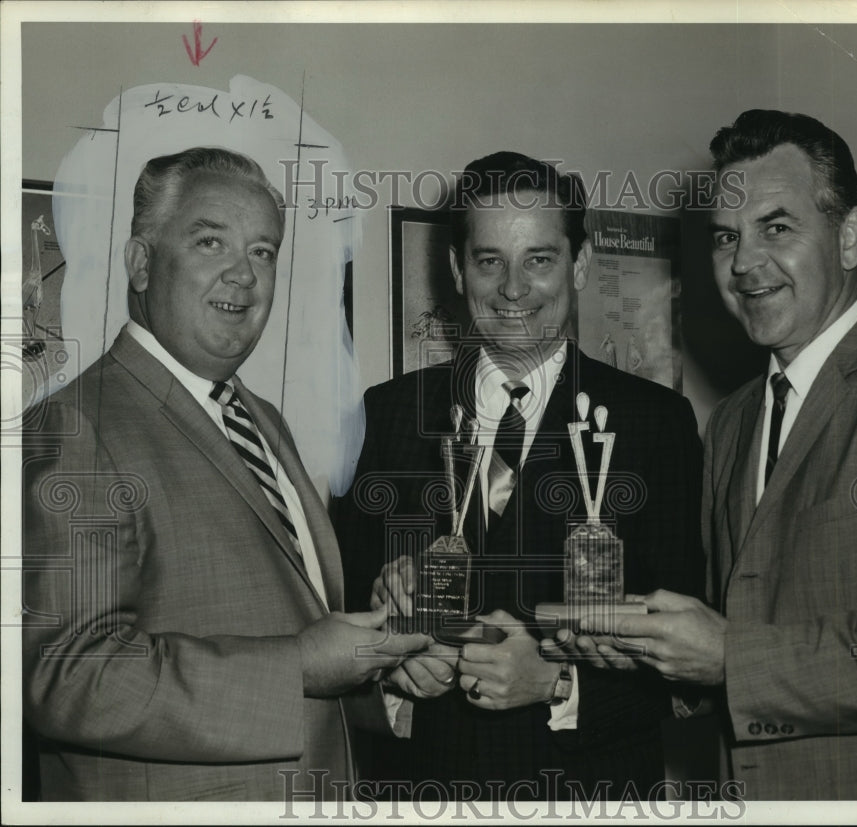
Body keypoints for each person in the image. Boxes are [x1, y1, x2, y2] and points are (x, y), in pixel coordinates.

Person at [557, 110, 857, 799]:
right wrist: (644, 652)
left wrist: (729, 656)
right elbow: (736, 636)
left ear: (851, 238)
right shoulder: (732, 422)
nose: (744, 263)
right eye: (727, 237)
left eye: (776, 228)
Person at [22, 147, 432, 801]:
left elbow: (295, 632)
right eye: (210, 241)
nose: (243, 275)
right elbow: (67, 678)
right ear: (141, 262)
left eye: (263, 251)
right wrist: (298, 667)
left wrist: (377, 668)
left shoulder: (263, 419)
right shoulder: (74, 427)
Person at [335, 151, 704, 802]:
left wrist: (560, 684)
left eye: (539, 259)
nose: (512, 288)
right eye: (489, 261)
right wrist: (392, 672)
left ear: (579, 265)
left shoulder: (655, 425)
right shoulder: (389, 415)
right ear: (458, 269)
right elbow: (341, 630)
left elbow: (691, 672)